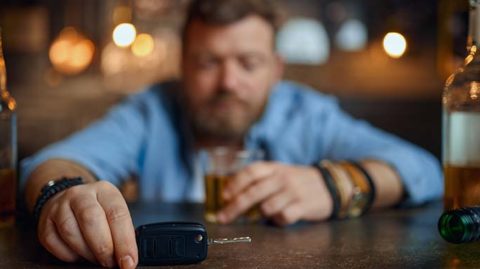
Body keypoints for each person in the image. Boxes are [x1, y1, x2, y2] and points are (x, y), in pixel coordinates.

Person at [21, 0, 443, 268]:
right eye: (208, 62)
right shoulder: (150, 111)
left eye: (248, 62)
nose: (228, 82)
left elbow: (424, 169)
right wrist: (63, 193)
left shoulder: (306, 113)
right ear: (183, 65)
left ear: (276, 68)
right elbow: (51, 164)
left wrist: (335, 184)